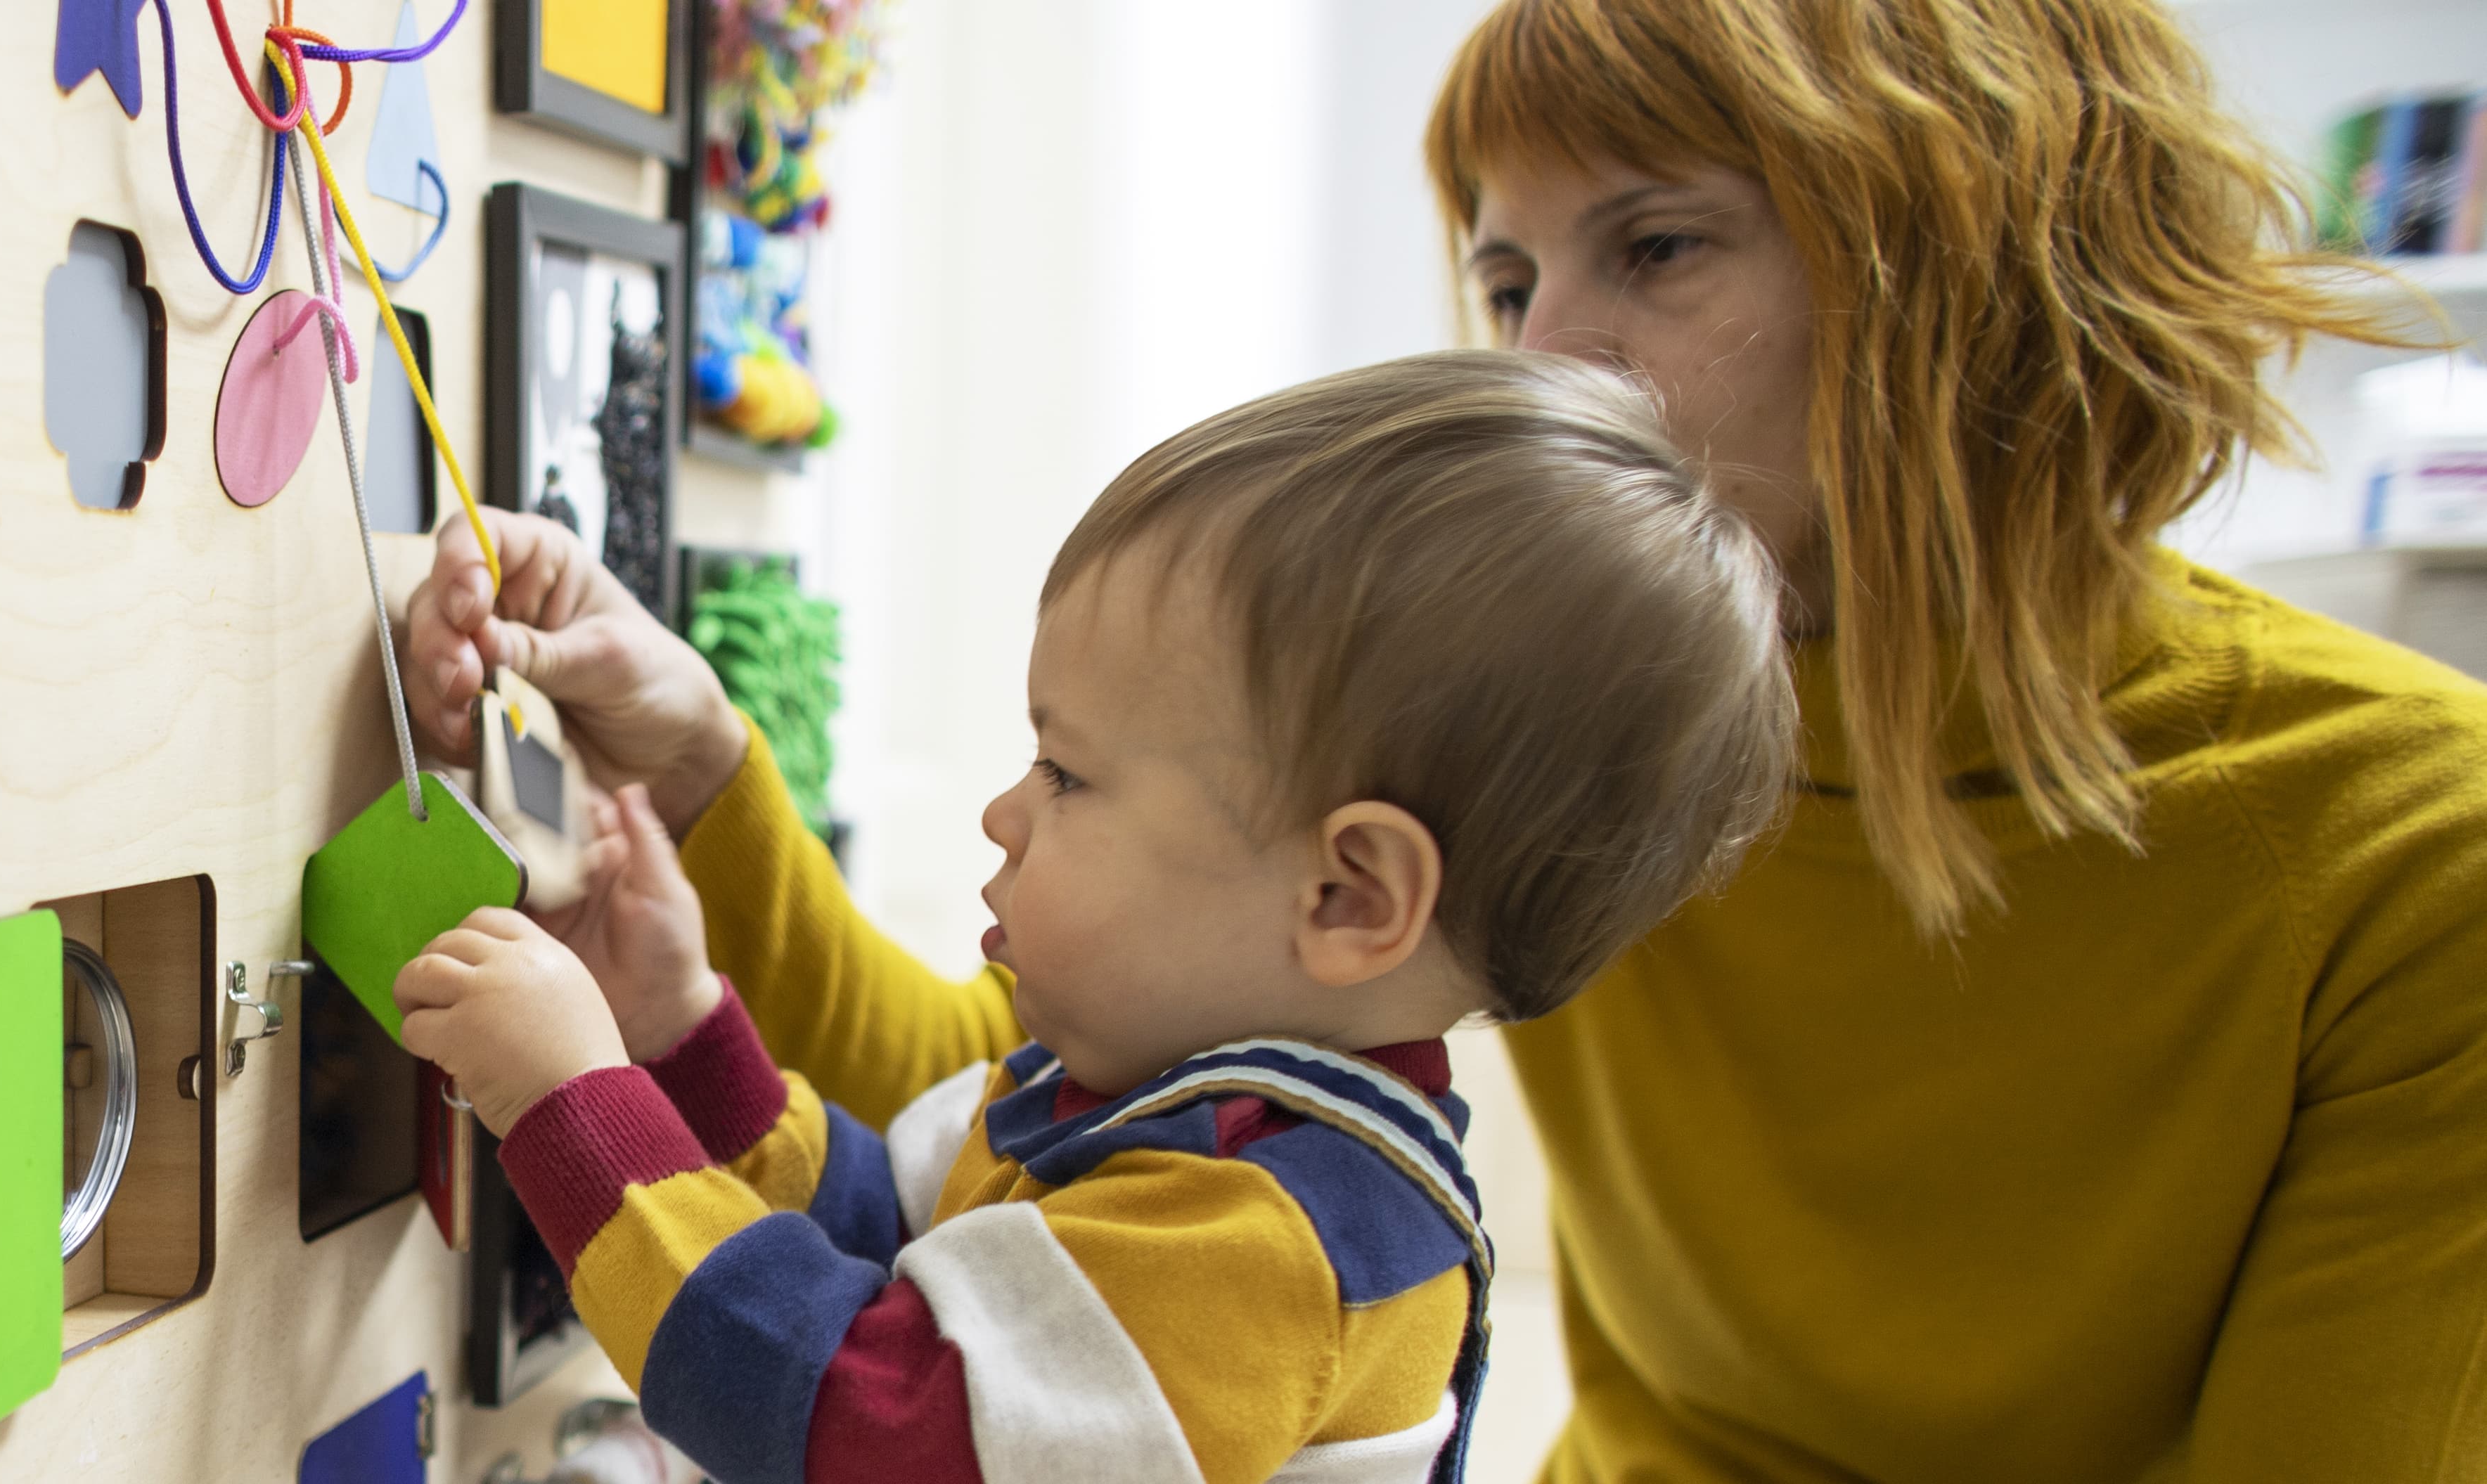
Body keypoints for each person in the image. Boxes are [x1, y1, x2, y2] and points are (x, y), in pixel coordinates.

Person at [406, 1, 2487, 1476]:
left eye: (1653, 248)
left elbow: (904, 1382)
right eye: (1503, 279)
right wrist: (688, 793)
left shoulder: (2404, 846)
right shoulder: (1551, 712)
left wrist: (590, 1109)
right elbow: (1027, 1123)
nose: (1547, 360)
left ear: (1971, 259)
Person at [393, 352, 1798, 1483]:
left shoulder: (1273, 1243)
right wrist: (682, 1036)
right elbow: (899, 1247)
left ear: (1346, 895)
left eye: (1066, 774)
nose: (1005, 813)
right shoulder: (1166, 1106)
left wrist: (578, 1102)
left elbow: (868, 1420)